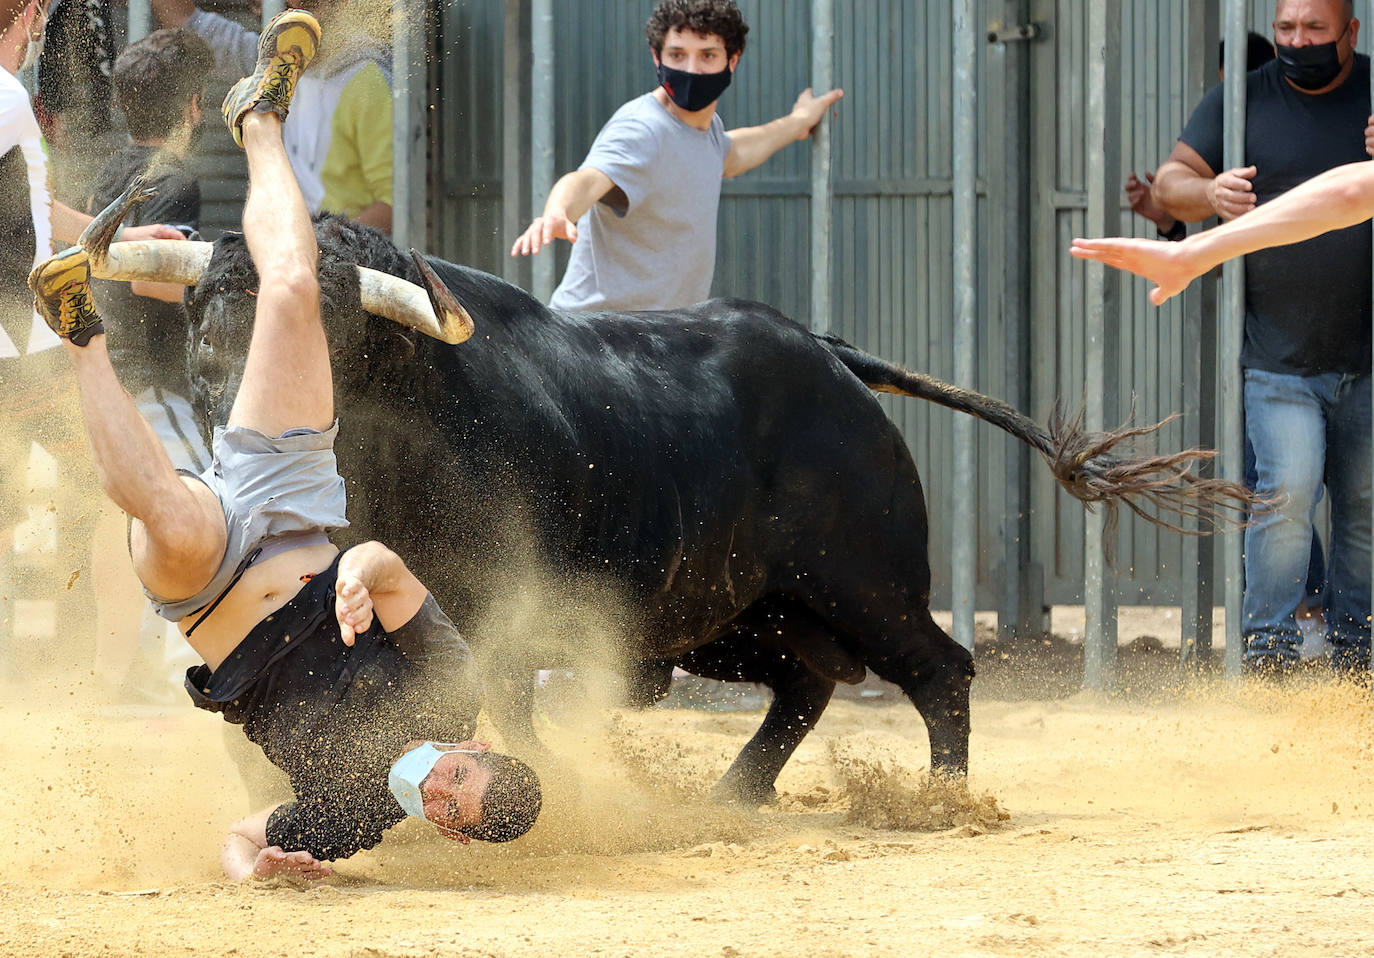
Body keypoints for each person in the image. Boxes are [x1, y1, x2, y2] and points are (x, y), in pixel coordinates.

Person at [27, 9, 540, 881]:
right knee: (295, 287)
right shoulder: (455, 691)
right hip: (296, 507)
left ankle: (78, 327)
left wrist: (257, 874)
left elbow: (239, 836)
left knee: (168, 516)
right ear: (475, 746)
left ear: (449, 832)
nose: (442, 790)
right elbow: (388, 565)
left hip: (210, 579)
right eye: (459, 777)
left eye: (452, 809)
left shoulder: (347, 819)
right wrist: (354, 578)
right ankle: (260, 113)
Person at [1071, 0, 1373, 675]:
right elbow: (1173, 181)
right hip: (1278, 354)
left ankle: (1359, 659)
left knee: (1363, 507)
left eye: (1315, 30)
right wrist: (1209, 198)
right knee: (1287, 492)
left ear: (1350, 32)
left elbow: (1352, 192)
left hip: (1368, 354)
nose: (1298, 42)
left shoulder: (1372, 94)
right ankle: (1269, 651)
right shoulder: (1239, 99)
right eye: (1287, 28)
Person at [0, 0, 184, 671]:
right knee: (126, 489)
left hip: (26, 353)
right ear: (31, 14)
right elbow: (31, 206)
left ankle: (77, 677)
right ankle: (99, 676)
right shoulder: (6, 95)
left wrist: (119, 232)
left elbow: (32, 202)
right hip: (21, 356)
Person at [510, 0, 843, 312]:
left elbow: (733, 152)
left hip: (653, 342)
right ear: (658, 58)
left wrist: (798, 122)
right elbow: (587, 179)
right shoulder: (642, 129)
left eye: (707, 55)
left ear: (733, 59)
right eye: (677, 55)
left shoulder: (705, 130)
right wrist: (557, 211)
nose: (692, 69)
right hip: (597, 342)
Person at [83, 27, 215, 698]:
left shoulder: (111, 169)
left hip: (107, 376)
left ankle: (116, 678)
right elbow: (151, 279)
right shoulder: (176, 179)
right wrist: (228, 273)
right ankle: (185, 680)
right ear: (192, 107)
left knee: (127, 526)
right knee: (201, 507)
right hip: (150, 385)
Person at [152, 0, 393, 233]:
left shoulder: (368, 82)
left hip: (340, 256)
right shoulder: (275, 62)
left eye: (311, 4)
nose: (298, 18)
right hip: (290, 243)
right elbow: (182, 18)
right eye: (285, 7)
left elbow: (393, 203)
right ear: (259, 8)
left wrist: (324, 244)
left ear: (343, 6)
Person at [1124, 31, 1277, 242]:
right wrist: (1169, 222)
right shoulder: (1223, 155)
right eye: (1222, 91)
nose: (1226, 105)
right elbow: (1219, 263)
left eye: (1235, 93)